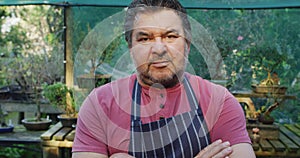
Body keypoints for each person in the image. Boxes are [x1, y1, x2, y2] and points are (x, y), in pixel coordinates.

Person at [72, 0, 256, 157]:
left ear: (187, 44)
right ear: (130, 48)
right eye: (145, 39)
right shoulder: (100, 105)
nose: (159, 49)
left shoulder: (220, 102)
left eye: (170, 36)